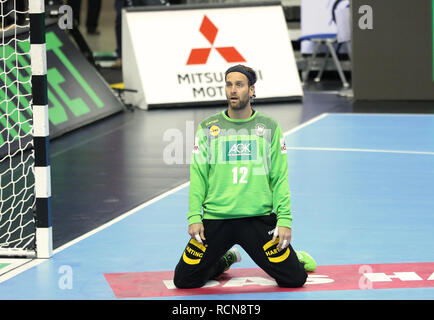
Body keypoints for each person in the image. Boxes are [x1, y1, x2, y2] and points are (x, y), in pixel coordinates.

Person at [173, 64, 316, 289]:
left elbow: (279, 177)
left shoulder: (269, 127)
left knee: (295, 279)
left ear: (251, 90)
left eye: (239, 85)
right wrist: (194, 217)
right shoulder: (209, 128)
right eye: (229, 84)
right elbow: (198, 176)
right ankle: (225, 259)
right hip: (217, 219)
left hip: (256, 220)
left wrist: (285, 220)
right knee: (184, 280)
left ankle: (295, 258)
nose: (233, 90)